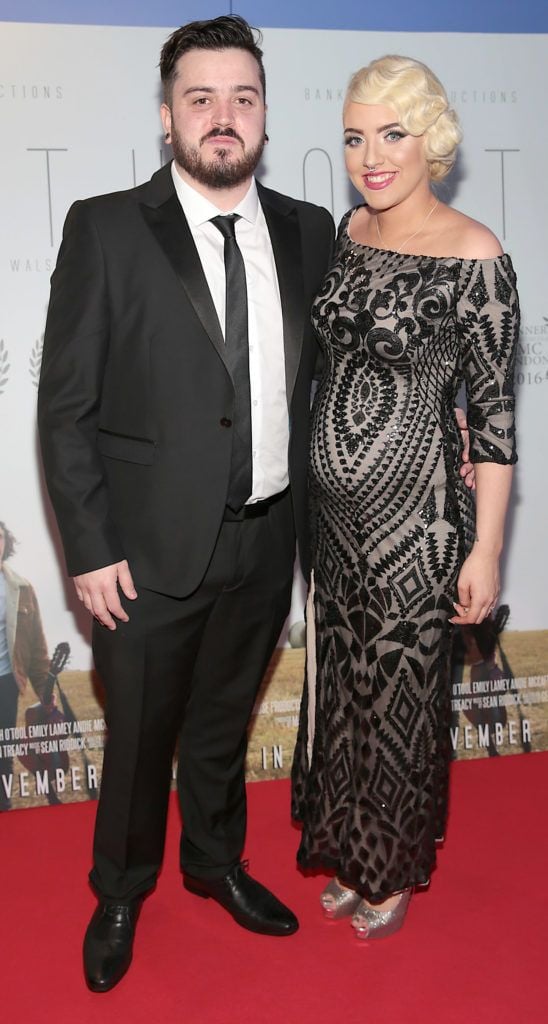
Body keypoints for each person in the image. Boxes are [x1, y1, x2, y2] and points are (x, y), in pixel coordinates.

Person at [37, 15, 335, 993]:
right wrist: (88, 545)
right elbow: (67, 406)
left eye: (241, 98)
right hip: (145, 551)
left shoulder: (305, 230)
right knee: (138, 738)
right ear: (166, 116)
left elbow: (330, 388)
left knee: (219, 723)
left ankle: (213, 865)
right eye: (199, 98)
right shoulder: (106, 226)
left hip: (264, 540)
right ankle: (121, 888)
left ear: (262, 113)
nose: (222, 116)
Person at [291, 55, 518, 940]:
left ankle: (392, 864)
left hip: (417, 520)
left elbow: (493, 423)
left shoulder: (477, 253)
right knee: (343, 684)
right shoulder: (350, 231)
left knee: (401, 695)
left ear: (433, 140)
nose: (371, 155)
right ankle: (348, 847)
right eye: (355, 136)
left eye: (392, 133)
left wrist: (487, 547)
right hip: (334, 524)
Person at [0, 521, 50, 810]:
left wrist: (45, 691)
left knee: (3, 749)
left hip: (6, 681)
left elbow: (37, 647)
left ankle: (2, 808)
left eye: (0, 537)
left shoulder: (21, 588)